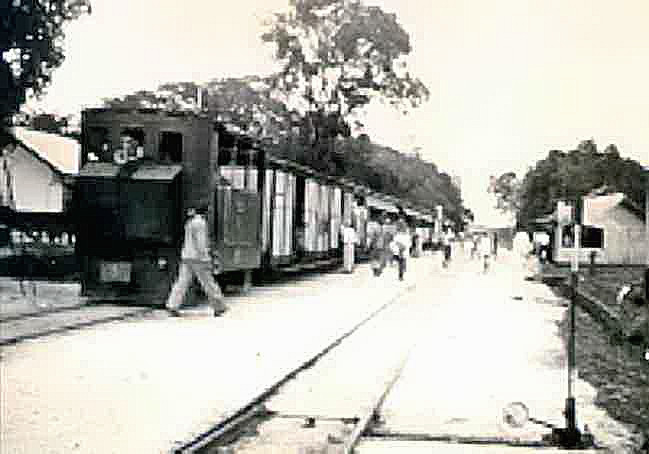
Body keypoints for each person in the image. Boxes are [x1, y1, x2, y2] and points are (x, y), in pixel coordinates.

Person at [166, 205, 227, 317]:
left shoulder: (190, 222)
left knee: (181, 282)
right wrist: (206, 257)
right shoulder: (201, 223)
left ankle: (172, 305)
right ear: (205, 212)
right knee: (208, 283)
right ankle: (219, 306)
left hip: (186, 257)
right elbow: (201, 243)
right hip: (198, 258)